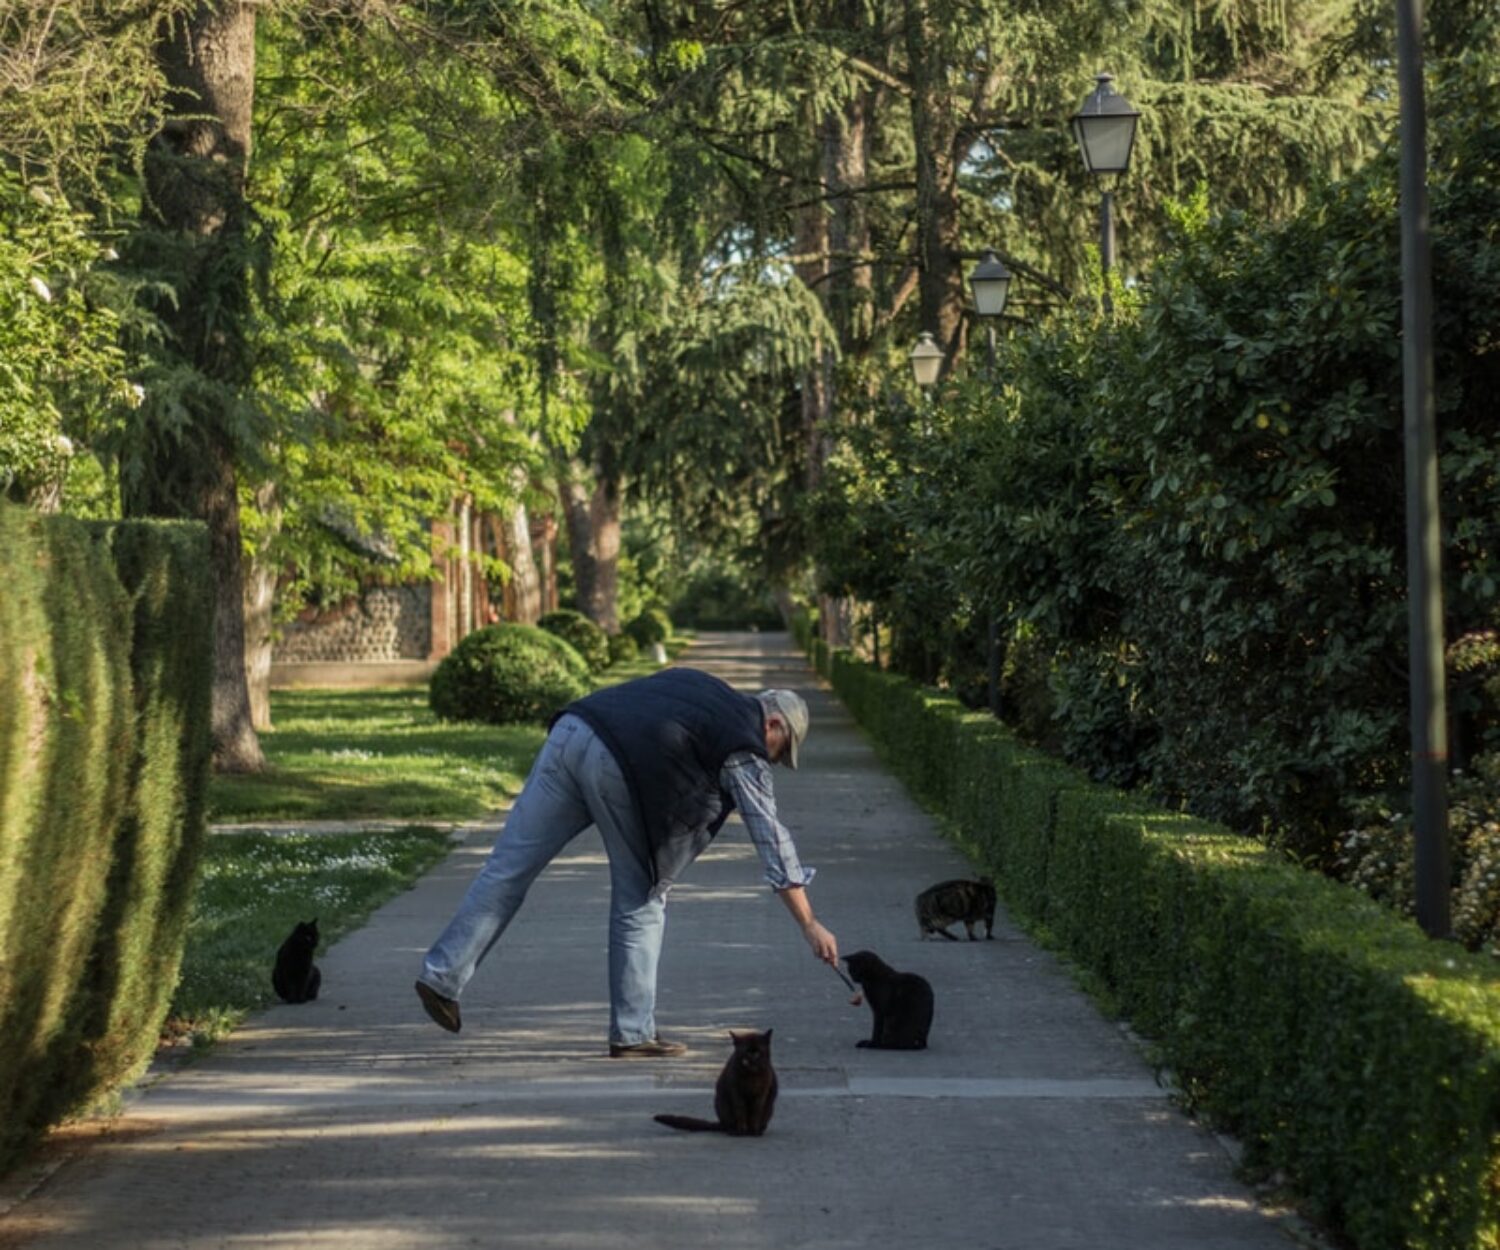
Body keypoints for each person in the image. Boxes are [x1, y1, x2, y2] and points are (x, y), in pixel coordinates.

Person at [414, 666, 839, 1057]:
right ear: (773, 724)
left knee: (507, 869)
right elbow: (770, 835)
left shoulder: (703, 686)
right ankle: (633, 1033)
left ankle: (441, 977)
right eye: (780, 752)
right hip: (615, 765)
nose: (774, 762)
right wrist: (809, 922)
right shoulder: (743, 743)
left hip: (573, 731)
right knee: (643, 898)